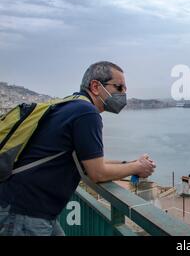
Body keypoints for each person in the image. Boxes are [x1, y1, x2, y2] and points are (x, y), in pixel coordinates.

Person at [0, 61, 156, 236]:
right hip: (24, 212)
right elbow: (97, 173)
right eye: (119, 88)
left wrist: (130, 163)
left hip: (31, 208)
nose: (124, 94)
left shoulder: (72, 104)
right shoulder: (86, 113)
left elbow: (89, 160)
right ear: (96, 86)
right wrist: (137, 167)